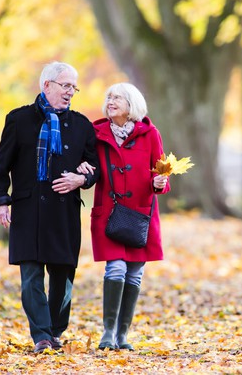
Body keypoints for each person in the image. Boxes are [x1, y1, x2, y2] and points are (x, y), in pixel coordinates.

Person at [0, 61, 100, 353]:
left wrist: (81, 178)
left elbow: (94, 168)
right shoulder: (19, 119)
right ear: (47, 85)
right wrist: (1, 201)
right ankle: (41, 335)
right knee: (31, 277)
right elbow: (1, 166)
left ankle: (54, 329)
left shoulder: (82, 125)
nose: (71, 93)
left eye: (74, 88)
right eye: (66, 86)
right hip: (28, 210)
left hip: (64, 212)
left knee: (63, 276)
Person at [78, 82, 169, 350]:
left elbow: (159, 171)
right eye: (109, 96)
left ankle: (122, 335)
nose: (111, 100)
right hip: (109, 212)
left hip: (141, 213)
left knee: (135, 274)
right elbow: (87, 164)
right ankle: (108, 332)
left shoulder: (150, 134)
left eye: (118, 97)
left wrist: (160, 183)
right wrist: (81, 168)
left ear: (132, 105)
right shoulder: (96, 133)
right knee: (115, 267)